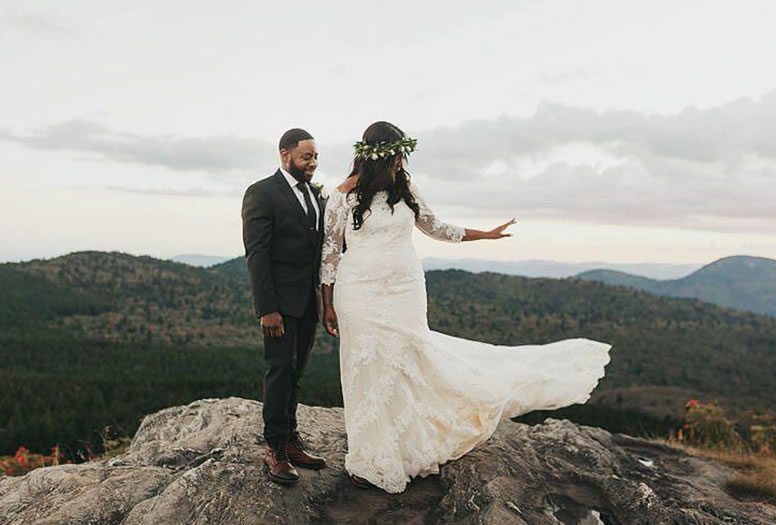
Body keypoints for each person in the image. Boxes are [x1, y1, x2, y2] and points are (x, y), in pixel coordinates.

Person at [320, 121, 612, 493]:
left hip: (405, 290)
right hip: (358, 291)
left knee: (408, 362)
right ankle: (370, 456)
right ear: (380, 156)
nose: (400, 162)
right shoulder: (343, 195)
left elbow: (436, 227)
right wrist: (326, 304)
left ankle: (404, 449)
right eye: (396, 156)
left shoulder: (405, 188)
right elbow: (329, 252)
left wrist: (485, 234)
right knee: (366, 366)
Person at [241, 128, 327, 485]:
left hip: (308, 302)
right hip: (278, 304)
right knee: (279, 371)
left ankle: (291, 441)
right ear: (284, 154)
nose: (313, 163)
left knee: (296, 373)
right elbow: (257, 254)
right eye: (306, 156)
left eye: (316, 157)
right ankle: (274, 448)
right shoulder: (262, 193)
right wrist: (267, 309)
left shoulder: (314, 194)